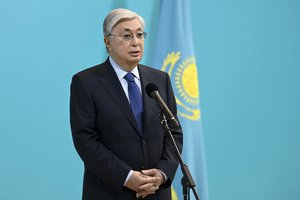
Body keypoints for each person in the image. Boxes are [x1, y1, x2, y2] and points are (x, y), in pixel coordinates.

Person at [70, 8, 183, 200]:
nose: (136, 42)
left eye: (140, 35)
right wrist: (127, 177)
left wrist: (162, 174)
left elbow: (174, 131)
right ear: (108, 42)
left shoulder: (160, 79)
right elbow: (85, 140)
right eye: (126, 36)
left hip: (156, 192)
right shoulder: (86, 82)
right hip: (110, 192)